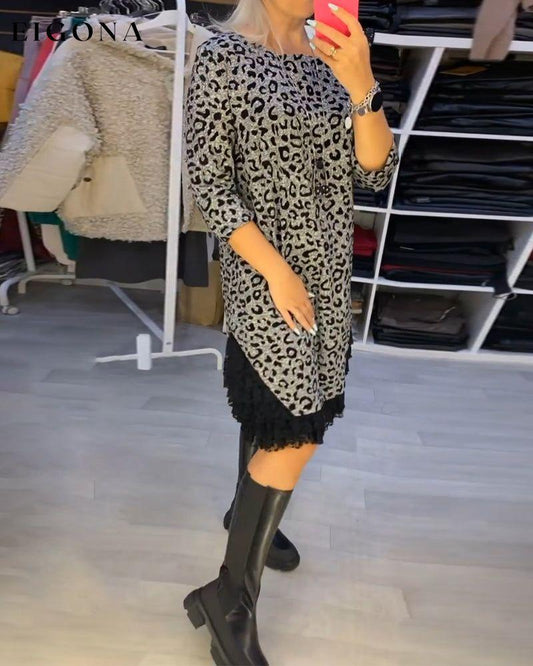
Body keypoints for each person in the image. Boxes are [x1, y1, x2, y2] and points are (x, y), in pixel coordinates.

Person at [182, 1, 399, 664]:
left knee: (290, 402)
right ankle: (229, 599)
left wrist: (362, 83)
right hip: (264, 268)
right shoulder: (222, 55)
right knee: (297, 424)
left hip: (329, 270)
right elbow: (210, 185)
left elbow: (375, 171)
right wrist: (277, 273)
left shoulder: (333, 57)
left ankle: (249, 514)